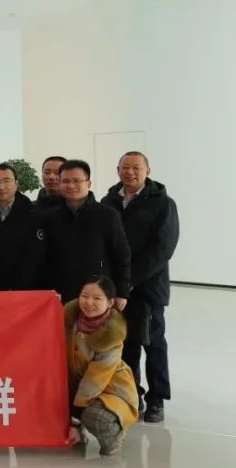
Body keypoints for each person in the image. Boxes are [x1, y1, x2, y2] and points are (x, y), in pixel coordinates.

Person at [100, 151, 179, 423]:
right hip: (118, 289)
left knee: (153, 343)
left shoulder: (163, 203)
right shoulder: (108, 201)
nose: (130, 172)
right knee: (125, 344)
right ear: (117, 170)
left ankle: (157, 398)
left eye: (136, 167)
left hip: (149, 287)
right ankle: (133, 394)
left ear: (148, 170)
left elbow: (163, 248)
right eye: (125, 167)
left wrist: (130, 280)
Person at [65, 276, 139, 456]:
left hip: (110, 389)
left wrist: (75, 421)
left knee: (95, 416)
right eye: (84, 296)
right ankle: (78, 432)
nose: (88, 302)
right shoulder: (69, 319)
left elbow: (93, 382)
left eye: (97, 298)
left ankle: (114, 437)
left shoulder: (111, 336)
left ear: (110, 302)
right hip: (79, 385)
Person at [41, 159, 131, 304]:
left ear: (88, 184)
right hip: (59, 293)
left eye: (76, 181)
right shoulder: (50, 217)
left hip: (96, 294)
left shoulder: (107, 215)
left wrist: (122, 292)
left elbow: (121, 256)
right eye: (65, 181)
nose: (71, 185)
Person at [0, 163, 45, 290]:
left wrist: (15, 287)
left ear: (16, 184)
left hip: (22, 289)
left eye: (7, 181)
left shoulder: (33, 214)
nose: (1, 186)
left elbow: (34, 256)